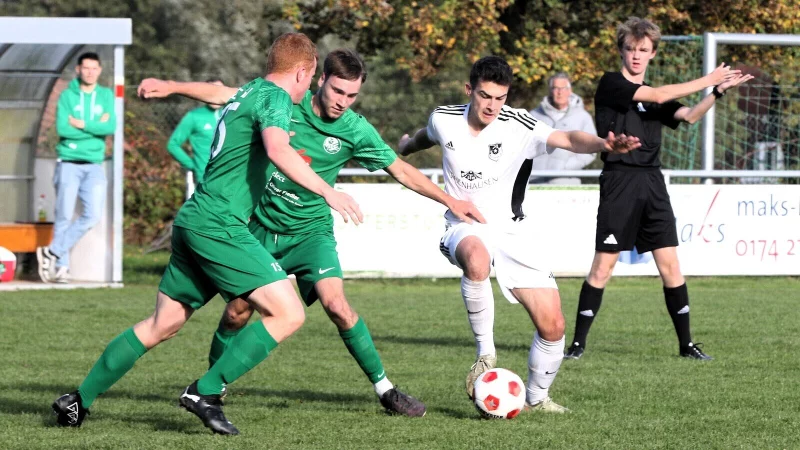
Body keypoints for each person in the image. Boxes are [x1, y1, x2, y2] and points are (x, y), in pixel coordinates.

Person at [51, 33, 362, 436]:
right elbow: (277, 150)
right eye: (312, 77)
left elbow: (216, 92)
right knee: (289, 313)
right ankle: (205, 391)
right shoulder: (276, 98)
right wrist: (327, 191)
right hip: (219, 224)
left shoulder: (251, 91)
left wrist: (172, 86)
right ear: (304, 73)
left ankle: (78, 400)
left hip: (193, 218)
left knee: (163, 323)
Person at [186, 49, 485, 419]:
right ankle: (213, 389)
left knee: (338, 306)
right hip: (260, 226)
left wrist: (450, 200)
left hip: (310, 233)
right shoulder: (284, 103)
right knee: (236, 312)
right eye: (338, 91)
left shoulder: (355, 129)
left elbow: (400, 169)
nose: (344, 101)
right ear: (321, 80)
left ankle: (386, 391)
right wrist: (170, 87)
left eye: (352, 95)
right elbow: (225, 94)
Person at [397, 56, 641, 413]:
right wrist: (406, 146)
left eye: (500, 98)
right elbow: (426, 136)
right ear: (469, 91)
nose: (492, 105)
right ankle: (485, 354)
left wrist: (604, 144)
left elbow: (567, 138)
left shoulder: (519, 124)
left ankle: (537, 398)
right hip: (463, 226)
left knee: (553, 326)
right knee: (476, 259)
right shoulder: (444, 118)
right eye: (484, 96)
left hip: (513, 231)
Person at [563, 17, 753, 361]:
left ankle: (686, 345)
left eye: (643, 50)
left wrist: (716, 92)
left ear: (652, 53)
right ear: (622, 50)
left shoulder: (655, 96)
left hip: (653, 182)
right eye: (631, 48)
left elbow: (690, 115)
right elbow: (660, 94)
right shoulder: (611, 84)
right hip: (619, 180)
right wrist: (708, 78)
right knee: (602, 268)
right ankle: (577, 345)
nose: (636, 55)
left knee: (671, 267)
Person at [36, 52, 116, 284]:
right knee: (63, 216)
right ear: (78, 70)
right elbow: (63, 129)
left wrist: (81, 124)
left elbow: (110, 126)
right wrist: (94, 128)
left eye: (94, 68)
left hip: (94, 164)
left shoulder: (106, 95)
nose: (90, 72)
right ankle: (62, 268)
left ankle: (51, 251)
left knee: (92, 216)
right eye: (86, 68)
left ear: (99, 70)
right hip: (68, 162)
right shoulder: (67, 95)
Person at [529, 72, 597, 185]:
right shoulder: (534, 115)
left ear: (570, 91)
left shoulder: (582, 117)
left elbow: (591, 149)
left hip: (566, 183)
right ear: (550, 90)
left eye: (563, 88)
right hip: (534, 181)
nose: (559, 92)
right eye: (555, 88)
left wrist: (565, 167)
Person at [166, 78, 225, 197]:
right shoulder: (194, 116)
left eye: (219, 90)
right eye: (210, 90)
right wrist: (193, 165)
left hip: (232, 177)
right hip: (206, 180)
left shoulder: (232, 114)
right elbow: (173, 144)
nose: (215, 94)